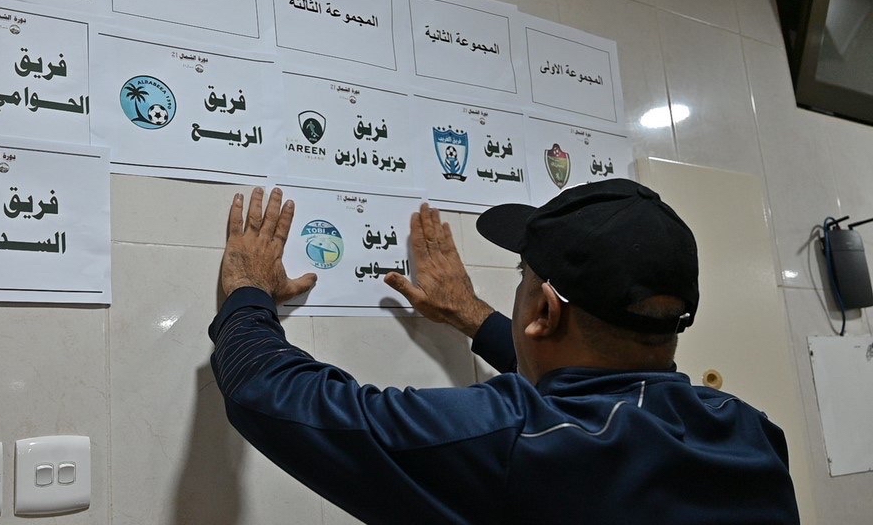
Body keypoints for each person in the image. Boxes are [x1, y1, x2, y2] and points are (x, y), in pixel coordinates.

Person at [209, 179, 800, 524]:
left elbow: (268, 392)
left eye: (523, 280)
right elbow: (596, 396)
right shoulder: (752, 436)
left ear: (544, 312)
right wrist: (473, 316)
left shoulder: (517, 443)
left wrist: (247, 290)